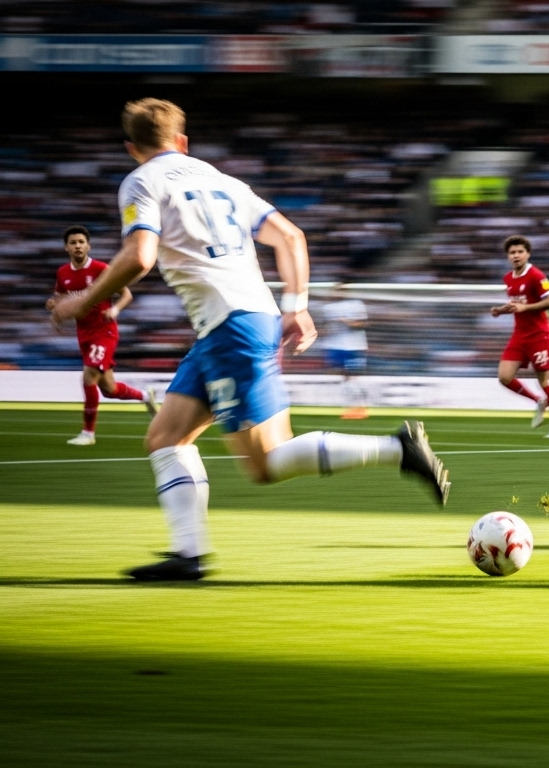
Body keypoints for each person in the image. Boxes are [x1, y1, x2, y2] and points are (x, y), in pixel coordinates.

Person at [51, 98, 450, 582]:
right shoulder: (224, 180)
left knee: (267, 462)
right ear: (183, 142)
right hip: (235, 323)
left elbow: (140, 256)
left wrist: (82, 301)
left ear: (132, 148)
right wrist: (296, 306)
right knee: (164, 437)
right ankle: (188, 555)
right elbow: (291, 237)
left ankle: (397, 448)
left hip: (231, 327)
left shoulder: (141, 181)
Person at [47, 224, 156, 444]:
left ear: (88, 246)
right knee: (109, 389)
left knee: (88, 377)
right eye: (73, 243)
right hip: (83, 333)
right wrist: (54, 306)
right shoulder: (63, 273)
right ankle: (146, 396)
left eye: (81, 242)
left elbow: (126, 294)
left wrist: (115, 310)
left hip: (104, 331)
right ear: (66, 248)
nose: (78, 246)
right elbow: (61, 299)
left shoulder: (101, 269)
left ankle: (88, 434)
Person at [491, 235, 549, 438]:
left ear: (528, 254)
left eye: (520, 252)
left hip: (539, 335)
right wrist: (501, 310)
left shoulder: (536, 275)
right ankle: (538, 401)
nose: (516, 255)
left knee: (543, 382)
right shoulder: (508, 278)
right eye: (512, 252)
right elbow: (517, 304)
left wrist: (525, 308)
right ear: (508, 256)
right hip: (519, 335)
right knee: (504, 377)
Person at [321, 289, 370, 419]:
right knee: (340, 376)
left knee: (352, 377)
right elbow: (325, 327)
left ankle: (359, 406)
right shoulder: (328, 307)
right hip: (334, 346)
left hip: (353, 346)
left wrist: (346, 321)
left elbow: (363, 324)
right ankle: (353, 406)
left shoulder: (356, 305)